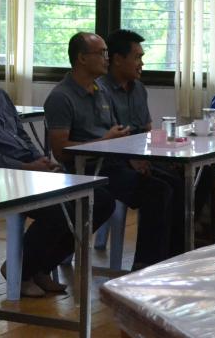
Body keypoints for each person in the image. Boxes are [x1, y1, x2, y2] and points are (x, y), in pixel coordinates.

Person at [0, 30, 114, 296]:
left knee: (99, 199)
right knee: (58, 208)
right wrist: (25, 169)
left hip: (25, 171)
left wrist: (40, 160)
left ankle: (37, 267)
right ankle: (20, 270)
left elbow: (21, 136)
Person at [45, 32, 177, 269]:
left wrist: (133, 158)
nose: (106, 58)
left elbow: (118, 133)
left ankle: (173, 257)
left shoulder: (101, 91)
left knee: (175, 181)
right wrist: (105, 142)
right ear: (82, 58)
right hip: (87, 170)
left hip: (114, 162)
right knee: (158, 191)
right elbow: (61, 151)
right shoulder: (61, 97)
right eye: (101, 53)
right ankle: (145, 265)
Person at [98, 29, 191, 256]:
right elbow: (109, 139)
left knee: (188, 176)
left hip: (142, 156)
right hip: (114, 162)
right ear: (117, 59)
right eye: (137, 57)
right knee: (162, 189)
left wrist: (163, 153)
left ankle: (176, 252)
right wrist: (134, 159)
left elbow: (147, 130)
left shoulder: (139, 88)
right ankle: (147, 261)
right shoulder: (100, 90)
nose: (142, 63)